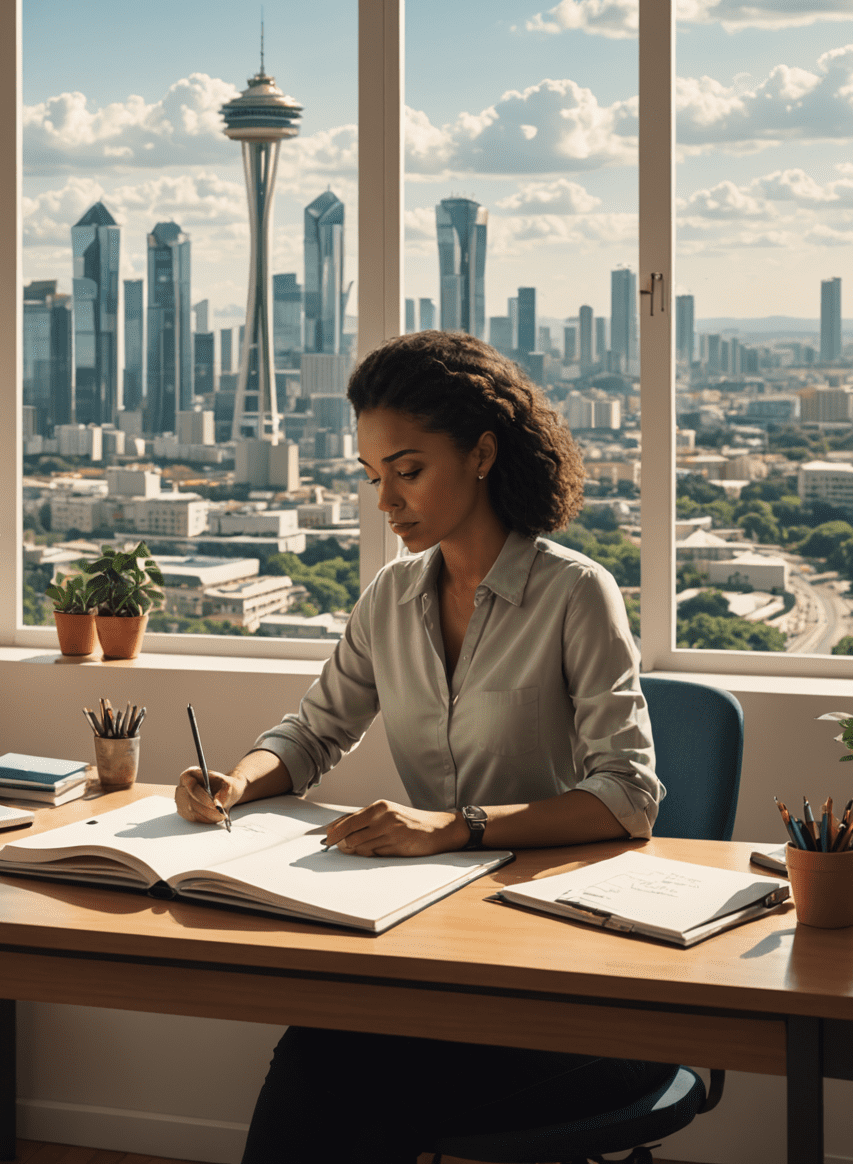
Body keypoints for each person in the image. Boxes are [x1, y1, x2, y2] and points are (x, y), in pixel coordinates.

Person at [176, 330, 668, 1164]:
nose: (385, 500)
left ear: (481, 453)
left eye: (407, 470)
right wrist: (236, 780)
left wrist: (456, 827)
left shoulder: (576, 593)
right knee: (323, 1056)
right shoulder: (391, 596)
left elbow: (629, 798)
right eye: (374, 476)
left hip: (566, 968)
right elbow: (312, 732)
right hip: (433, 942)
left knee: (341, 1077)